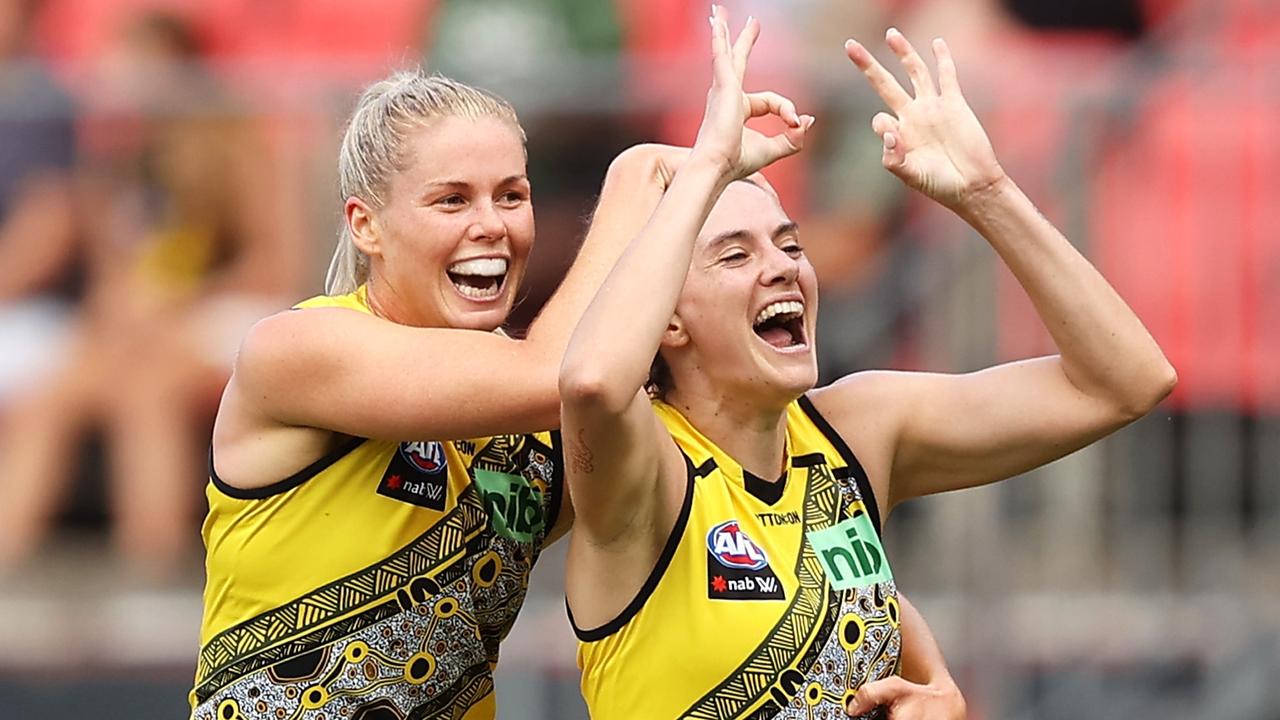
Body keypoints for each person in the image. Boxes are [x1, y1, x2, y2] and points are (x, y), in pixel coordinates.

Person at [190, 63, 964, 718]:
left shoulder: (540, 434)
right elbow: (555, 375)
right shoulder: (293, 350)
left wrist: (929, 668)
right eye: (452, 200)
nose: (492, 225)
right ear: (365, 226)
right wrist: (638, 180)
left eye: (512, 196)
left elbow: (769, 512)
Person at [559, 8, 1175, 720]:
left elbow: (1125, 382)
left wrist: (988, 194)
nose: (783, 270)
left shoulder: (856, 429)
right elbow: (593, 382)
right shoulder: (646, 469)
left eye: (790, 246)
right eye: (735, 255)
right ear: (665, 318)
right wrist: (704, 166)